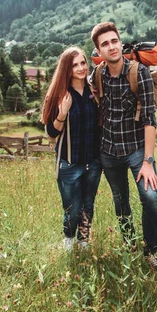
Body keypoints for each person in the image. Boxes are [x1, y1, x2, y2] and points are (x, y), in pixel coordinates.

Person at [90, 22, 157, 272]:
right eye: (104, 44)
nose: (111, 47)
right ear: (99, 51)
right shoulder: (97, 74)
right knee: (121, 202)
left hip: (136, 151)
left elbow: (149, 119)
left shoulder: (138, 72)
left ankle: (150, 252)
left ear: (120, 43)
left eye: (114, 41)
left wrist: (148, 161)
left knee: (150, 199)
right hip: (109, 153)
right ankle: (130, 245)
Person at [41, 46, 102, 251]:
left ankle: (84, 241)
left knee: (88, 205)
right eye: (75, 65)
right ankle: (68, 239)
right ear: (66, 68)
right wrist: (62, 113)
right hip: (69, 163)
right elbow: (51, 133)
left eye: (83, 63)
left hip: (92, 162)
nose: (80, 68)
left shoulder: (94, 91)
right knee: (72, 208)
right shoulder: (59, 95)